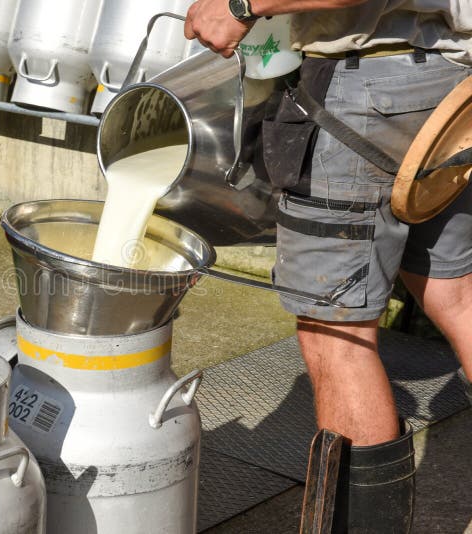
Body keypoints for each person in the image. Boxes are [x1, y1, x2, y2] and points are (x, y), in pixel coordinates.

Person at [185, 0, 472, 530]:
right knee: (456, 296)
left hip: (368, 86)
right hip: (451, 84)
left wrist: (241, 5)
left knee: (336, 334)